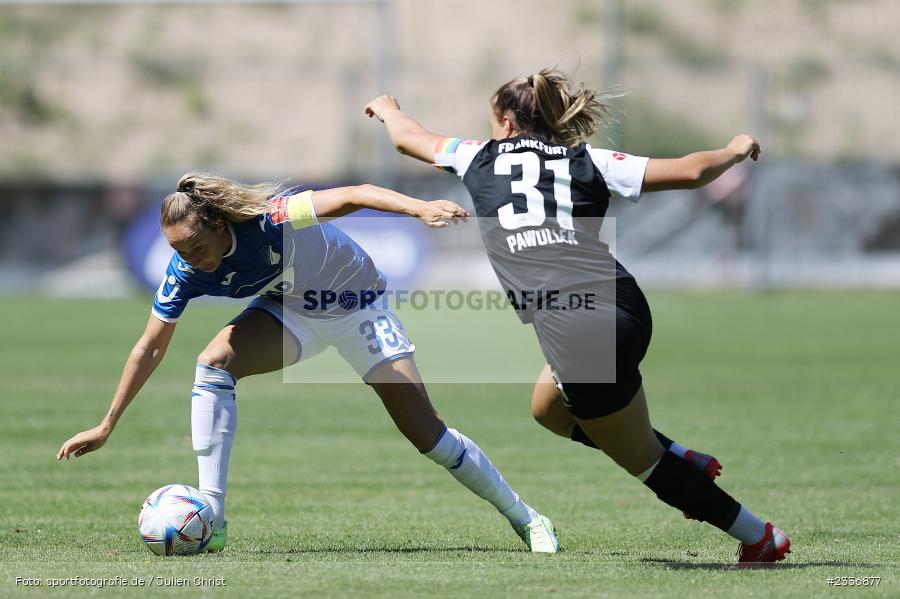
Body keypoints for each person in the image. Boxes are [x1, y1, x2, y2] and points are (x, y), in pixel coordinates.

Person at [365, 68, 791, 565]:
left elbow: (408, 139)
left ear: (503, 122)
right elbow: (693, 171)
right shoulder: (586, 159)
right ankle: (672, 453)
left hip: (578, 329)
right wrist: (735, 150)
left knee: (645, 465)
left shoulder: (475, 156)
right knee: (547, 409)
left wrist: (388, 108)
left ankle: (759, 535)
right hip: (625, 303)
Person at [57, 174, 560, 554]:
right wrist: (107, 423)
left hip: (357, 304)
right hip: (291, 312)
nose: (190, 258)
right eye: (177, 250)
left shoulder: (268, 218)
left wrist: (419, 208)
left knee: (425, 432)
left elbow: (354, 194)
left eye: (195, 245)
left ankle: (526, 517)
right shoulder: (184, 270)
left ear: (217, 222)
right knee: (213, 362)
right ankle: (214, 517)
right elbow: (149, 346)